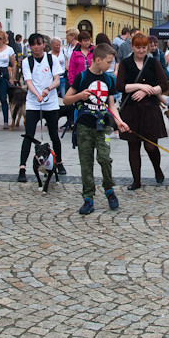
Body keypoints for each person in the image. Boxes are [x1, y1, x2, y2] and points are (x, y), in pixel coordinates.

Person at [63, 43, 129, 215]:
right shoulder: (82, 77)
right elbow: (66, 100)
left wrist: (119, 121)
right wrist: (79, 96)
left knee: (105, 158)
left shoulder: (108, 79)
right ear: (97, 59)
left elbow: (112, 105)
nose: (110, 66)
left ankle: (109, 189)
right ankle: (88, 198)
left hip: (103, 127)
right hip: (85, 126)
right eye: (108, 62)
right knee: (86, 163)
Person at [117, 33, 169, 189]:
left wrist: (148, 91)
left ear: (147, 48)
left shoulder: (153, 62)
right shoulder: (125, 63)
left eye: (143, 47)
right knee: (133, 146)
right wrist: (139, 86)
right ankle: (136, 180)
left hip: (150, 109)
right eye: (138, 47)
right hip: (131, 110)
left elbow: (164, 85)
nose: (141, 50)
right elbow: (120, 86)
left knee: (151, 146)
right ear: (132, 47)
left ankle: (157, 169)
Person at [17, 33, 67, 182]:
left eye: (39, 44)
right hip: (33, 102)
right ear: (30, 46)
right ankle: (22, 167)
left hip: (50, 103)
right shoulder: (27, 62)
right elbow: (29, 81)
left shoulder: (51, 59)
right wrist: (37, 94)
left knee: (54, 135)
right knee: (29, 135)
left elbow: (57, 80)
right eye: (33, 45)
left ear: (43, 45)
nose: (36, 47)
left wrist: (48, 89)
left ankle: (59, 163)